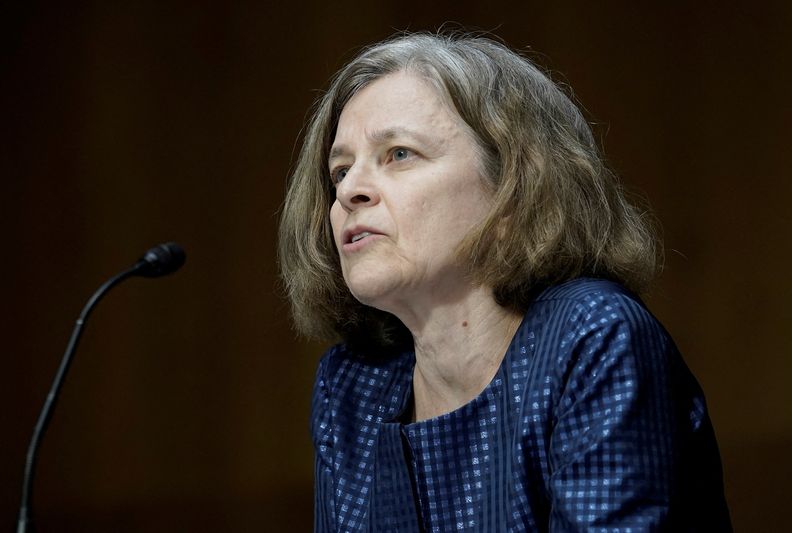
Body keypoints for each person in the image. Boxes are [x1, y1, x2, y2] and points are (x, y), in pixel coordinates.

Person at [278, 32, 731, 532]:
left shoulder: (593, 338)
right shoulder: (354, 383)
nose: (350, 192)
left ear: (514, 189)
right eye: (339, 171)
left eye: (399, 154)